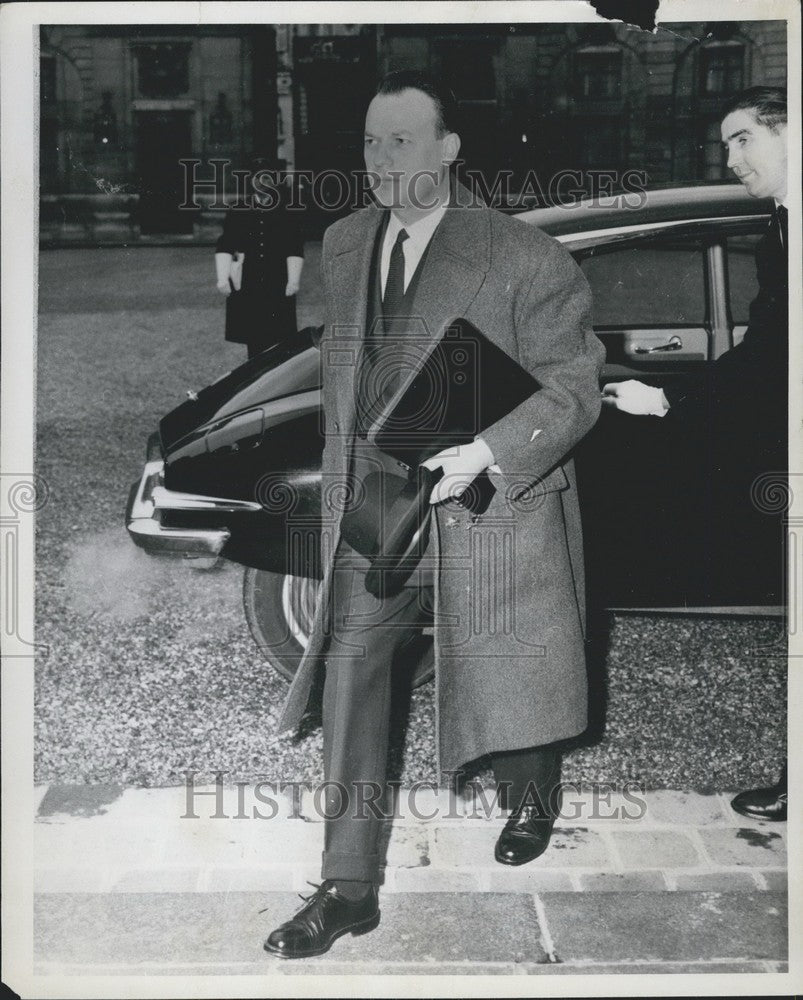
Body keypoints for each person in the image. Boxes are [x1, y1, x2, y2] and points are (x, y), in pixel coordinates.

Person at [263, 71, 604, 959]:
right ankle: (346, 887)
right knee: (352, 671)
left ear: (450, 150)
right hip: (378, 506)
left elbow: (572, 388)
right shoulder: (341, 245)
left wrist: (486, 451)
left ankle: (530, 789)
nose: (381, 161)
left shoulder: (526, 256)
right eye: (371, 143)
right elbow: (337, 372)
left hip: (486, 498)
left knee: (504, 661)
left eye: (402, 140)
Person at [602, 86, 789, 822]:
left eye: (744, 139)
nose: (730, 158)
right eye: (726, 143)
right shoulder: (781, 224)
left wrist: (672, 402)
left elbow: (772, 361)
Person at [215, 157, 304, 358]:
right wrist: (222, 277)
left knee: (281, 341)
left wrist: (293, 280)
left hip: (278, 282)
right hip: (248, 283)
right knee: (254, 341)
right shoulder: (239, 209)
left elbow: (295, 245)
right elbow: (226, 242)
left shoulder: (287, 211)